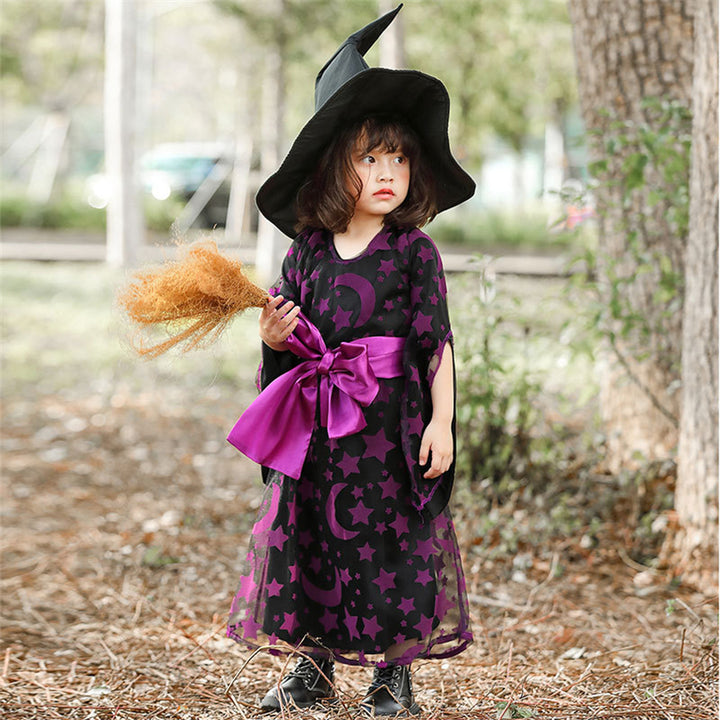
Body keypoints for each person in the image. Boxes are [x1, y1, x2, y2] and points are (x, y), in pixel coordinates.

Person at [225, 5, 475, 716]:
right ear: (338, 166)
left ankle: (393, 675)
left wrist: (442, 424)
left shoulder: (413, 253)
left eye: (399, 159)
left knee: (390, 544)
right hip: (316, 429)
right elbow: (286, 335)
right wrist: (273, 337)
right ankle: (312, 666)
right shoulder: (306, 251)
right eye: (371, 159)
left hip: (390, 430)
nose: (388, 172)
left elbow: (436, 344)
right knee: (311, 539)